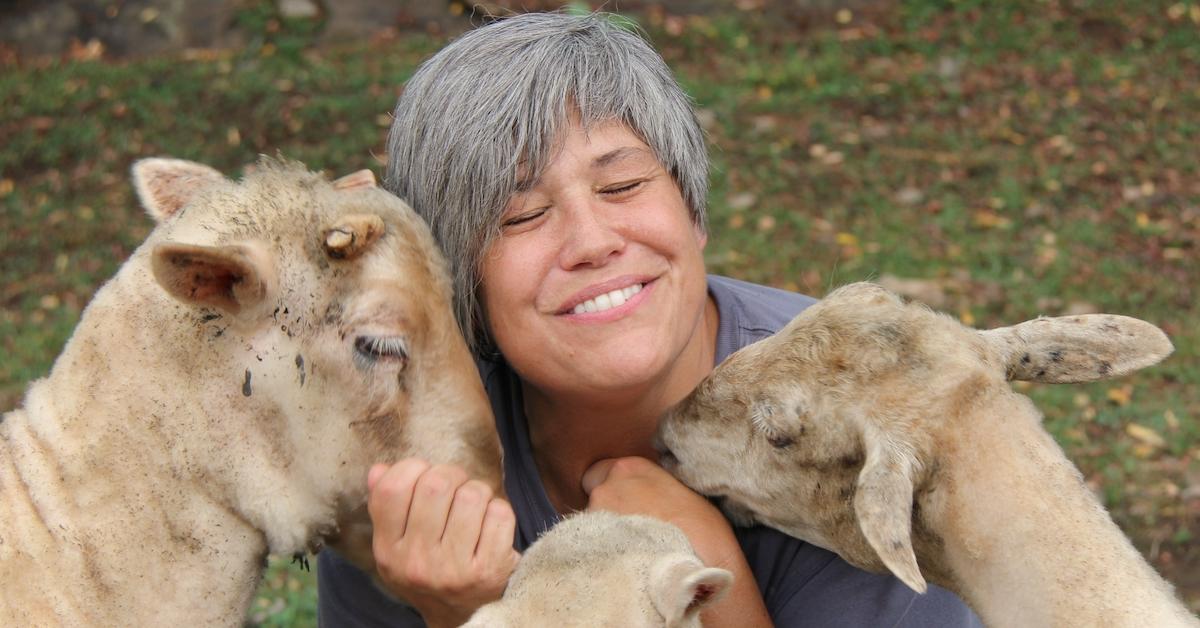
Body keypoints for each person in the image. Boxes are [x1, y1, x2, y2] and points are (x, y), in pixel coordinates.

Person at [317, 11, 981, 627]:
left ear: (692, 211)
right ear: (460, 282)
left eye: (622, 185)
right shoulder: (402, 469)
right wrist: (462, 611)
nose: (592, 241)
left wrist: (718, 588)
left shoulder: (861, 425)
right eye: (521, 216)